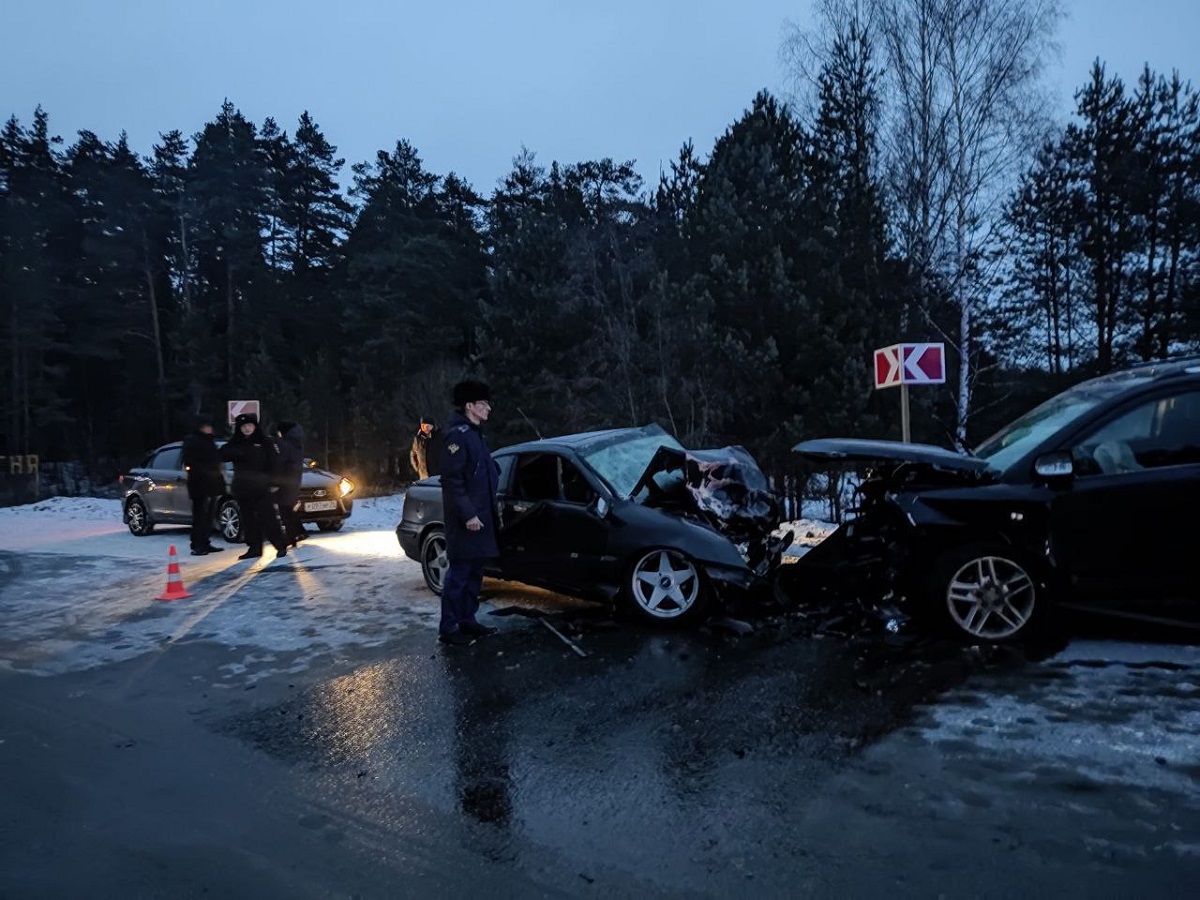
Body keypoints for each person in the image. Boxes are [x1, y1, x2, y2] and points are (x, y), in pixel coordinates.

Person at [438, 380, 501, 646]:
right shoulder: (457, 436)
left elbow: (482, 472)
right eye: (484, 403)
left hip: (482, 516)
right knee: (459, 575)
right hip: (466, 522)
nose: (489, 408)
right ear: (470, 406)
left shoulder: (476, 434)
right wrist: (468, 515)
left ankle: (468, 620)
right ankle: (449, 627)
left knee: (475, 573)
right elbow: (452, 482)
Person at [219, 412, 288, 560]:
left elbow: (276, 464)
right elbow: (222, 454)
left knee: (269, 518)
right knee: (249, 519)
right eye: (243, 426)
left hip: (262, 487)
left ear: (255, 426)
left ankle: (280, 545)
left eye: (249, 425)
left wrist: (275, 482)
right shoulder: (235, 443)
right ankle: (254, 548)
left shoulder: (264, 442)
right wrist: (235, 452)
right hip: (243, 488)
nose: (247, 429)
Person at [180, 413, 226, 556]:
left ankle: (205, 542)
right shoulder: (192, 441)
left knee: (208, 515)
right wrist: (206, 472)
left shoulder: (209, 440)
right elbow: (190, 462)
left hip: (211, 484)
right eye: (207, 426)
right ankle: (197, 544)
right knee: (200, 515)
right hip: (200, 484)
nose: (209, 429)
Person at [273, 420, 306, 546]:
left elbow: (280, 462)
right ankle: (297, 533)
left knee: (285, 511)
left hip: (285, 481)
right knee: (290, 509)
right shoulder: (296, 443)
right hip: (294, 480)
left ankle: (291, 537)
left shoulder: (286, 444)